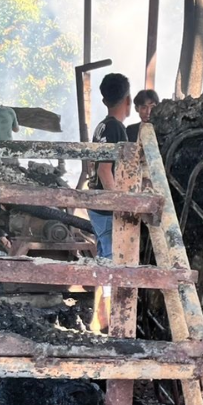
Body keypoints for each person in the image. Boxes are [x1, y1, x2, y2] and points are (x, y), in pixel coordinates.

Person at [87, 73, 131, 333]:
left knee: (106, 257)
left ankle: (103, 320)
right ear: (127, 99)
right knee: (112, 259)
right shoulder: (115, 127)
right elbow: (105, 170)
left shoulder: (101, 127)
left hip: (96, 202)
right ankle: (110, 322)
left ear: (104, 99)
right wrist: (120, 203)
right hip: (105, 205)